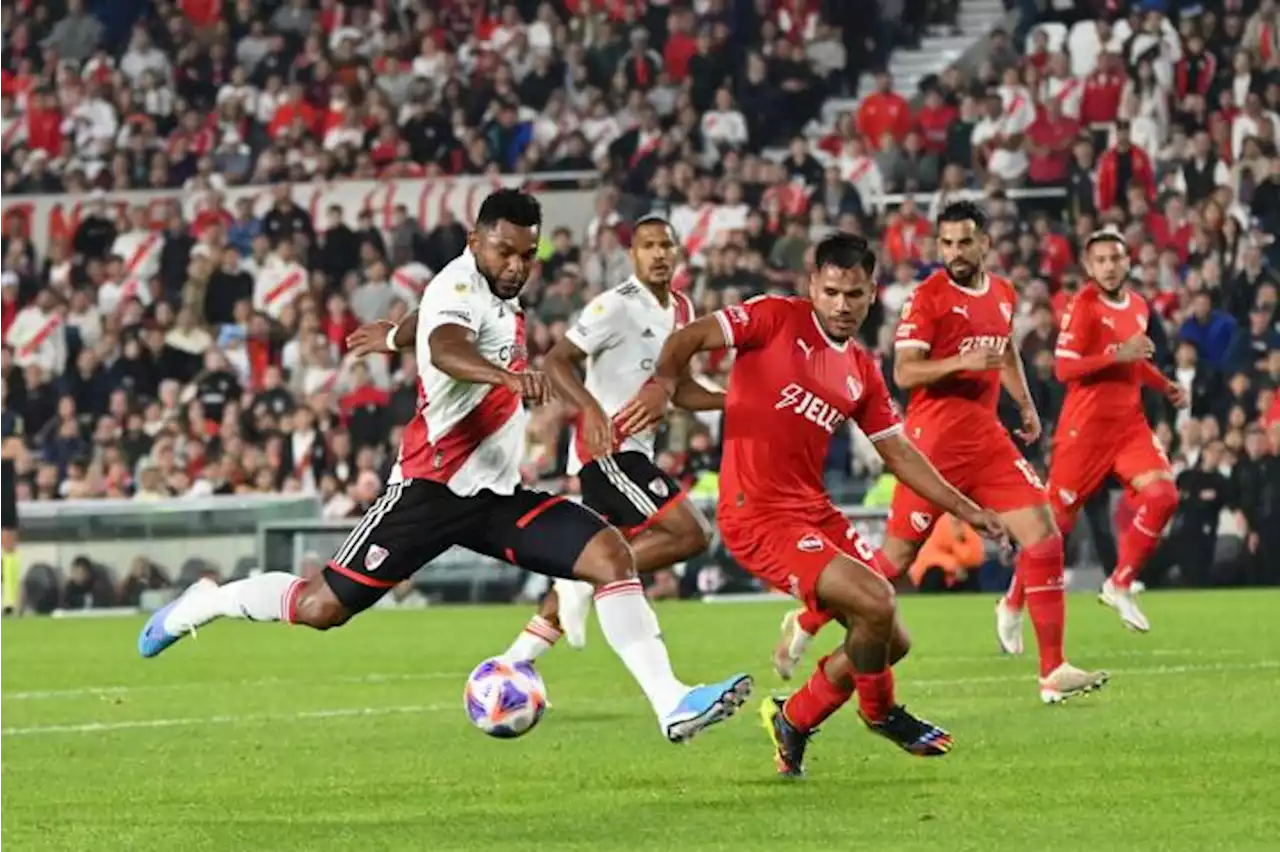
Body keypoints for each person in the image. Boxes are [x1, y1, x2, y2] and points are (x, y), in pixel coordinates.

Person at [137, 190, 752, 744]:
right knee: (321, 608)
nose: (516, 265)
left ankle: (671, 701)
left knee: (610, 554)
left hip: (495, 498)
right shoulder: (458, 285)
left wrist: (397, 334)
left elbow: (427, 330)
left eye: (527, 255)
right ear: (474, 243)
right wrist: (504, 374)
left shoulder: (495, 293)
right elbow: (447, 345)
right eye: (504, 252)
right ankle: (208, 602)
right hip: (427, 492)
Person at [618, 233, 1007, 775]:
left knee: (890, 639)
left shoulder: (863, 371)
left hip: (813, 510)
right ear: (812, 286)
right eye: (831, 293)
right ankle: (881, 711)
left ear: (872, 293)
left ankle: (794, 717)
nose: (842, 306)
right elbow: (689, 336)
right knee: (875, 601)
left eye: (854, 295)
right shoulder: (774, 318)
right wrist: (663, 384)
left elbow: (899, 454)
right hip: (756, 514)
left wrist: (968, 509)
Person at [771, 202, 1108, 705]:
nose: (954, 252)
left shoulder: (1002, 292)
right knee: (895, 560)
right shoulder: (927, 297)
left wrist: (1024, 403)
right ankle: (807, 616)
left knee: (1044, 536)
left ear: (984, 244)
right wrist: (962, 360)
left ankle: (1052, 669)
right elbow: (905, 373)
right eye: (946, 243)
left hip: (988, 440)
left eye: (964, 242)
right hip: (932, 447)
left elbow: (1005, 347)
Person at [500, 216, 724, 661]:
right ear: (632, 255)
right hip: (608, 448)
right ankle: (585, 581)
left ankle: (512, 662)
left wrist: (734, 401)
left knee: (601, 551)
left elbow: (680, 387)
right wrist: (589, 409)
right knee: (692, 535)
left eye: (665, 245)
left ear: (677, 253)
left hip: (635, 449)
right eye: (648, 246)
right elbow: (557, 361)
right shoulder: (614, 306)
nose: (658, 254)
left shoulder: (682, 310)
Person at [1002, 229, 1185, 632]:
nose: (1109, 266)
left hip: (1128, 426)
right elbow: (1064, 368)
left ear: (1128, 262)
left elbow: (1133, 363)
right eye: (1100, 260)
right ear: (1089, 266)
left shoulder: (1138, 306)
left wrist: (1163, 385)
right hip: (1083, 432)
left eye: (1116, 258)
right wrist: (1118, 354)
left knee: (1164, 495)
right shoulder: (1082, 306)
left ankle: (1119, 583)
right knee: (1056, 528)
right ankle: (1012, 604)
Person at [0, 376, 22, 616]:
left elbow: (13, 450)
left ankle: (9, 601)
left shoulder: (11, 419)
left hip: (4, 485)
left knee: (8, 541)